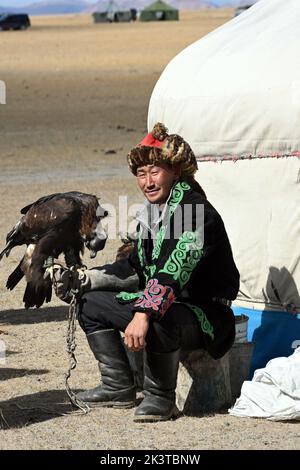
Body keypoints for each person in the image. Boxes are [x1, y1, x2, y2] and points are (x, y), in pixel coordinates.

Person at [53, 123, 240, 422]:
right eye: (141, 174)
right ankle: (117, 387)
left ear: (176, 172)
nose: (148, 182)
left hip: (206, 315)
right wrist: (87, 281)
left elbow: (173, 271)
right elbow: (136, 267)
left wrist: (142, 314)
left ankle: (160, 398)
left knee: (158, 314)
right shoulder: (154, 214)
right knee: (91, 304)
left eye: (155, 171)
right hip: (168, 306)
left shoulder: (196, 212)